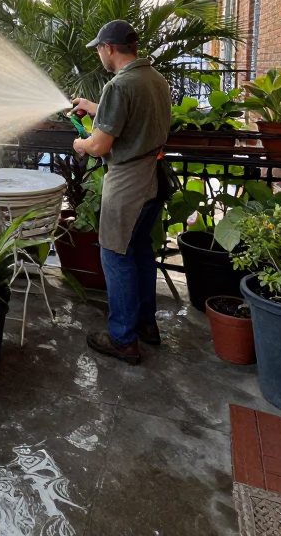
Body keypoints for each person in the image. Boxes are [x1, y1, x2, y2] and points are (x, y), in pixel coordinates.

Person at [70, 19, 172, 365]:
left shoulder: (119, 86)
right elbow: (133, 116)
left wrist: (80, 143)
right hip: (155, 179)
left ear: (109, 48)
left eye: (99, 48)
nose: (100, 53)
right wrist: (92, 105)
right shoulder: (154, 79)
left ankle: (122, 338)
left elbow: (100, 145)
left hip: (129, 183)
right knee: (141, 251)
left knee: (115, 256)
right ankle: (146, 326)